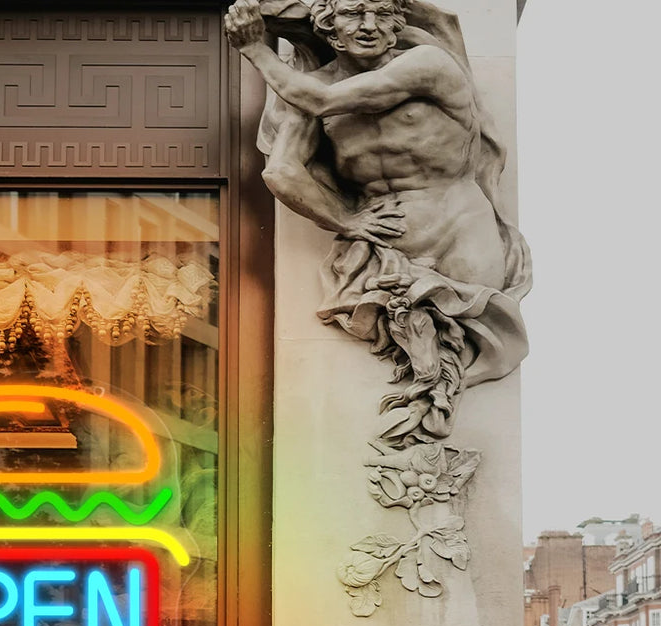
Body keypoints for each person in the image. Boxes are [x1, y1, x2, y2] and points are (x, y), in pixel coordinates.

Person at [224, 0, 530, 445]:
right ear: (327, 25)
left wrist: (256, 50)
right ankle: (414, 436)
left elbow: (326, 100)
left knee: (471, 340)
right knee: (415, 355)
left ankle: (435, 437)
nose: (369, 26)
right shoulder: (310, 87)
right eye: (352, 14)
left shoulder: (427, 63)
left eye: (382, 14)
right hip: (386, 241)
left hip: (461, 225)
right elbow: (281, 171)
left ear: (397, 22)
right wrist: (347, 219)